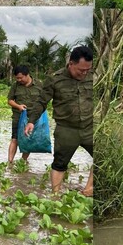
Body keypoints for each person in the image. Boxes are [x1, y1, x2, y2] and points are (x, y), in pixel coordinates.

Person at [25, 46, 93, 196]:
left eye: (88, 70)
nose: (84, 73)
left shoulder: (93, 77)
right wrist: (31, 121)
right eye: (81, 70)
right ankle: (55, 196)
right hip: (66, 129)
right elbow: (41, 102)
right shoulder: (55, 79)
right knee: (59, 163)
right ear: (71, 63)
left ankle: (89, 189)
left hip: (90, 127)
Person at [7, 65, 42, 164]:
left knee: (28, 139)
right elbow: (10, 100)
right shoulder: (15, 86)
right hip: (18, 116)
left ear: (27, 75)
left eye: (20, 78)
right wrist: (18, 106)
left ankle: (23, 161)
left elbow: (43, 101)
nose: (19, 80)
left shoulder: (39, 85)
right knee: (14, 139)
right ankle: (10, 162)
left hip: (33, 118)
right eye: (17, 78)